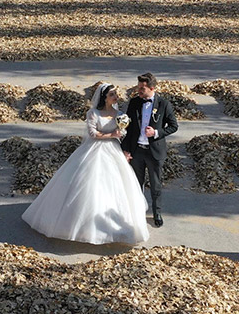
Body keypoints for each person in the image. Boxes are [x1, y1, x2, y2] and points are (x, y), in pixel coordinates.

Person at [23, 84, 150, 245]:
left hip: (114, 150)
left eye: (116, 94)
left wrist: (121, 136)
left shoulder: (119, 114)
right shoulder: (93, 113)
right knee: (88, 183)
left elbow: (123, 132)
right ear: (104, 97)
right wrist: (113, 134)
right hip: (94, 149)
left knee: (116, 184)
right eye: (112, 94)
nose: (116, 97)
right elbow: (92, 134)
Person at [121, 73, 178, 227]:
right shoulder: (134, 102)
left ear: (152, 88)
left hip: (154, 152)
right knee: (135, 184)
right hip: (137, 150)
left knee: (155, 185)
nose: (138, 90)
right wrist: (125, 150)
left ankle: (157, 213)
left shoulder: (164, 104)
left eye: (142, 88)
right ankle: (137, 212)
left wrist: (156, 133)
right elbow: (128, 128)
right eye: (138, 87)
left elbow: (174, 126)